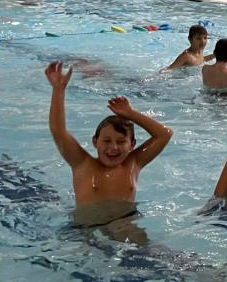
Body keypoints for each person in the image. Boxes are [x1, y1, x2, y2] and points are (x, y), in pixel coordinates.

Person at [45, 61, 173, 211]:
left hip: (126, 221)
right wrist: (58, 90)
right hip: (87, 224)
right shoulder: (82, 164)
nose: (113, 147)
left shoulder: (133, 164)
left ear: (132, 144)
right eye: (106, 141)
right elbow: (58, 131)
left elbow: (164, 135)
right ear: (95, 142)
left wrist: (131, 114)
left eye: (121, 141)